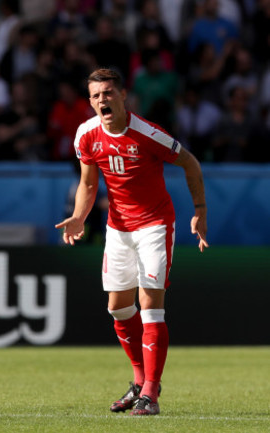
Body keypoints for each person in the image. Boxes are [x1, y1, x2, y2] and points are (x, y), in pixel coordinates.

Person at [55, 68, 208, 416]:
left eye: (108, 93)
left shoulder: (148, 133)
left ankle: (151, 394)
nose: (101, 100)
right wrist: (79, 216)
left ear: (123, 96)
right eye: (95, 96)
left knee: (150, 304)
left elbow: (191, 163)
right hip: (118, 228)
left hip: (154, 226)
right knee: (118, 308)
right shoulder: (86, 135)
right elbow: (89, 184)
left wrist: (200, 211)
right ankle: (139, 382)